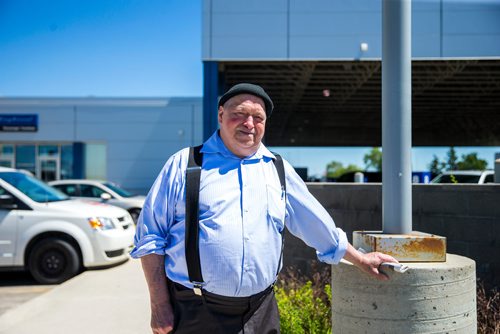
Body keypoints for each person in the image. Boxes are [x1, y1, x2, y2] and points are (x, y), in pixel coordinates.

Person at [131, 83, 398, 334]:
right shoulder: (185, 164)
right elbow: (150, 238)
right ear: (221, 115)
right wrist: (159, 305)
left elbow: (318, 227)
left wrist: (361, 259)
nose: (249, 124)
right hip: (197, 311)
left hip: (261, 310)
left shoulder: (277, 169)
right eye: (240, 114)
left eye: (258, 118)